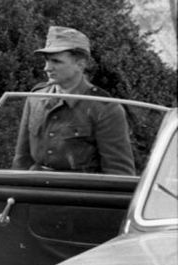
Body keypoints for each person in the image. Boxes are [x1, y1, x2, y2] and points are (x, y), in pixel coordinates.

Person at [13, 26, 135, 175]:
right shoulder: (36, 99)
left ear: (80, 64)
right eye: (46, 61)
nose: (47, 68)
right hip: (37, 190)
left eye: (56, 61)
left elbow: (119, 174)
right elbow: (22, 160)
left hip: (79, 193)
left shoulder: (105, 108)